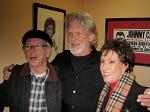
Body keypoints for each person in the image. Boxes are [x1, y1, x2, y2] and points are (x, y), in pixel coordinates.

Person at [2, 12, 150, 112]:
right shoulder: (61, 58)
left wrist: (146, 93)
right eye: (70, 33)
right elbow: (40, 66)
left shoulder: (102, 61)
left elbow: (124, 80)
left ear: (91, 37)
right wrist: (16, 70)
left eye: (78, 33)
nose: (72, 38)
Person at [0, 29, 61, 112]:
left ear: (48, 51)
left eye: (37, 46)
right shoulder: (14, 74)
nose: (31, 50)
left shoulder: (61, 76)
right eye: (27, 47)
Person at [96, 39, 148, 112]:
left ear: (125, 65)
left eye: (111, 62)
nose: (103, 67)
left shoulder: (142, 96)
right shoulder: (103, 89)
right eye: (102, 61)